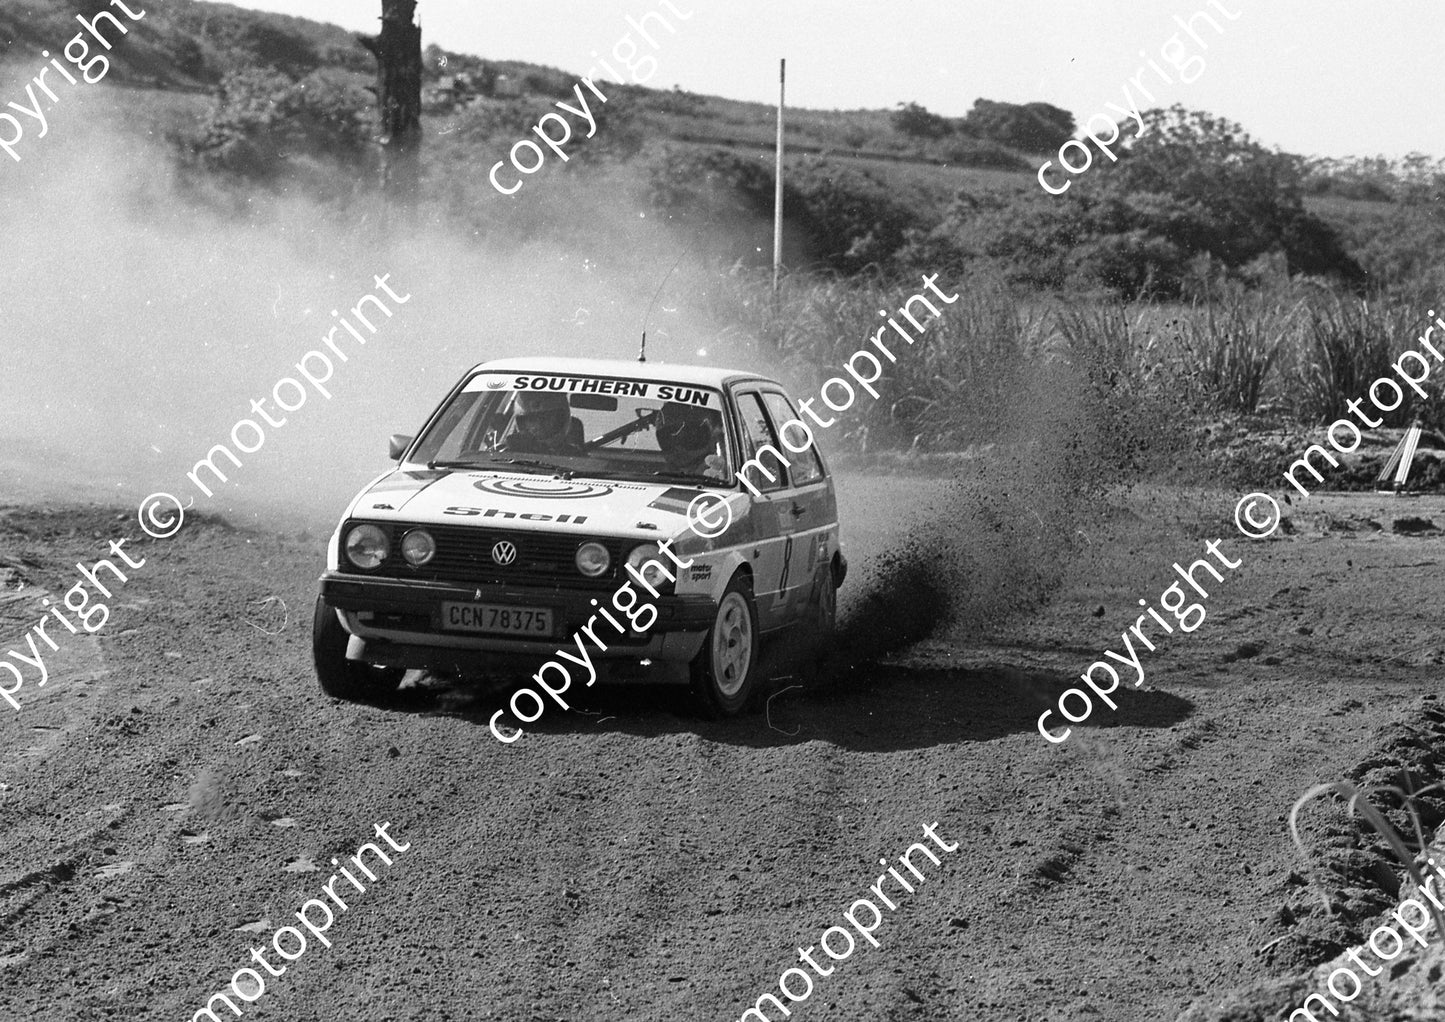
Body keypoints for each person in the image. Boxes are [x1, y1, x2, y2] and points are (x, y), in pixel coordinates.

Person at [655, 402, 726, 478]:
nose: (678, 447)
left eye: (691, 436)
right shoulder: (653, 478)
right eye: (666, 437)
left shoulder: (724, 473)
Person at [502, 391, 583, 455]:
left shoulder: (575, 458)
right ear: (522, 423)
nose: (538, 425)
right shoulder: (509, 452)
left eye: (545, 418)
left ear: (560, 419)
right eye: (531, 420)